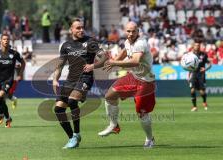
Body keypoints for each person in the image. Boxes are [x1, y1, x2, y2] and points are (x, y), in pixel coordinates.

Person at [86, 21, 156, 148]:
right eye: (128, 31)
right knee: (109, 96)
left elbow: (135, 61)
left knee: (142, 112)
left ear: (138, 31)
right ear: (125, 31)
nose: (130, 34)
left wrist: (114, 63)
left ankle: (150, 138)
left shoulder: (141, 43)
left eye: (133, 31)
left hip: (146, 81)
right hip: (133, 77)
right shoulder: (128, 41)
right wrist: (116, 59)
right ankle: (114, 125)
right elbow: (125, 50)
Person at [52, 18, 104, 149]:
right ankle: (72, 138)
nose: (81, 30)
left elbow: (105, 58)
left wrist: (92, 66)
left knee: (72, 101)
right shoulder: (65, 46)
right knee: (58, 109)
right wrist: (55, 79)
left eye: (82, 27)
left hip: (85, 78)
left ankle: (76, 133)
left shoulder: (91, 42)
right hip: (70, 80)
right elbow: (60, 66)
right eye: (78, 28)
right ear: (71, 30)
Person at [0, 33, 25, 127]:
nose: (6, 41)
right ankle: (8, 118)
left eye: (7, 39)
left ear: (9, 41)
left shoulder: (14, 53)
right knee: (1, 101)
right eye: (4, 39)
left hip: (9, 80)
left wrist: (20, 74)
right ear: (1, 41)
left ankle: (1, 115)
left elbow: (23, 62)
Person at [188, 39, 211, 112]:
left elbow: (210, 64)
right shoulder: (190, 55)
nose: (197, 46)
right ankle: (194, 106)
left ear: (200, 46)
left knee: (202, 91)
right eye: (196, 45)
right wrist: (188, 76)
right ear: (193, 46)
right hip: (193, 74)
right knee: (192, 90)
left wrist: (205, 69)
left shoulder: (204, 54)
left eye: (198, 45)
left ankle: (204, 102)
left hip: (201, 75)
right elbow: (187, 66)